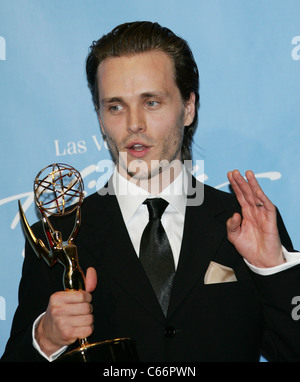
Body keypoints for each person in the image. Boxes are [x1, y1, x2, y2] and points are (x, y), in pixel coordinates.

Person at [1, 21, 300, 362]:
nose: (133, 123)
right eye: (115, 106)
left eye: (152, 102)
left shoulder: (247, 223)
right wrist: (46, 337)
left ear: (188, 108)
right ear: (100, 118)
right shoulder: (57, 236)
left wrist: (273, 271)